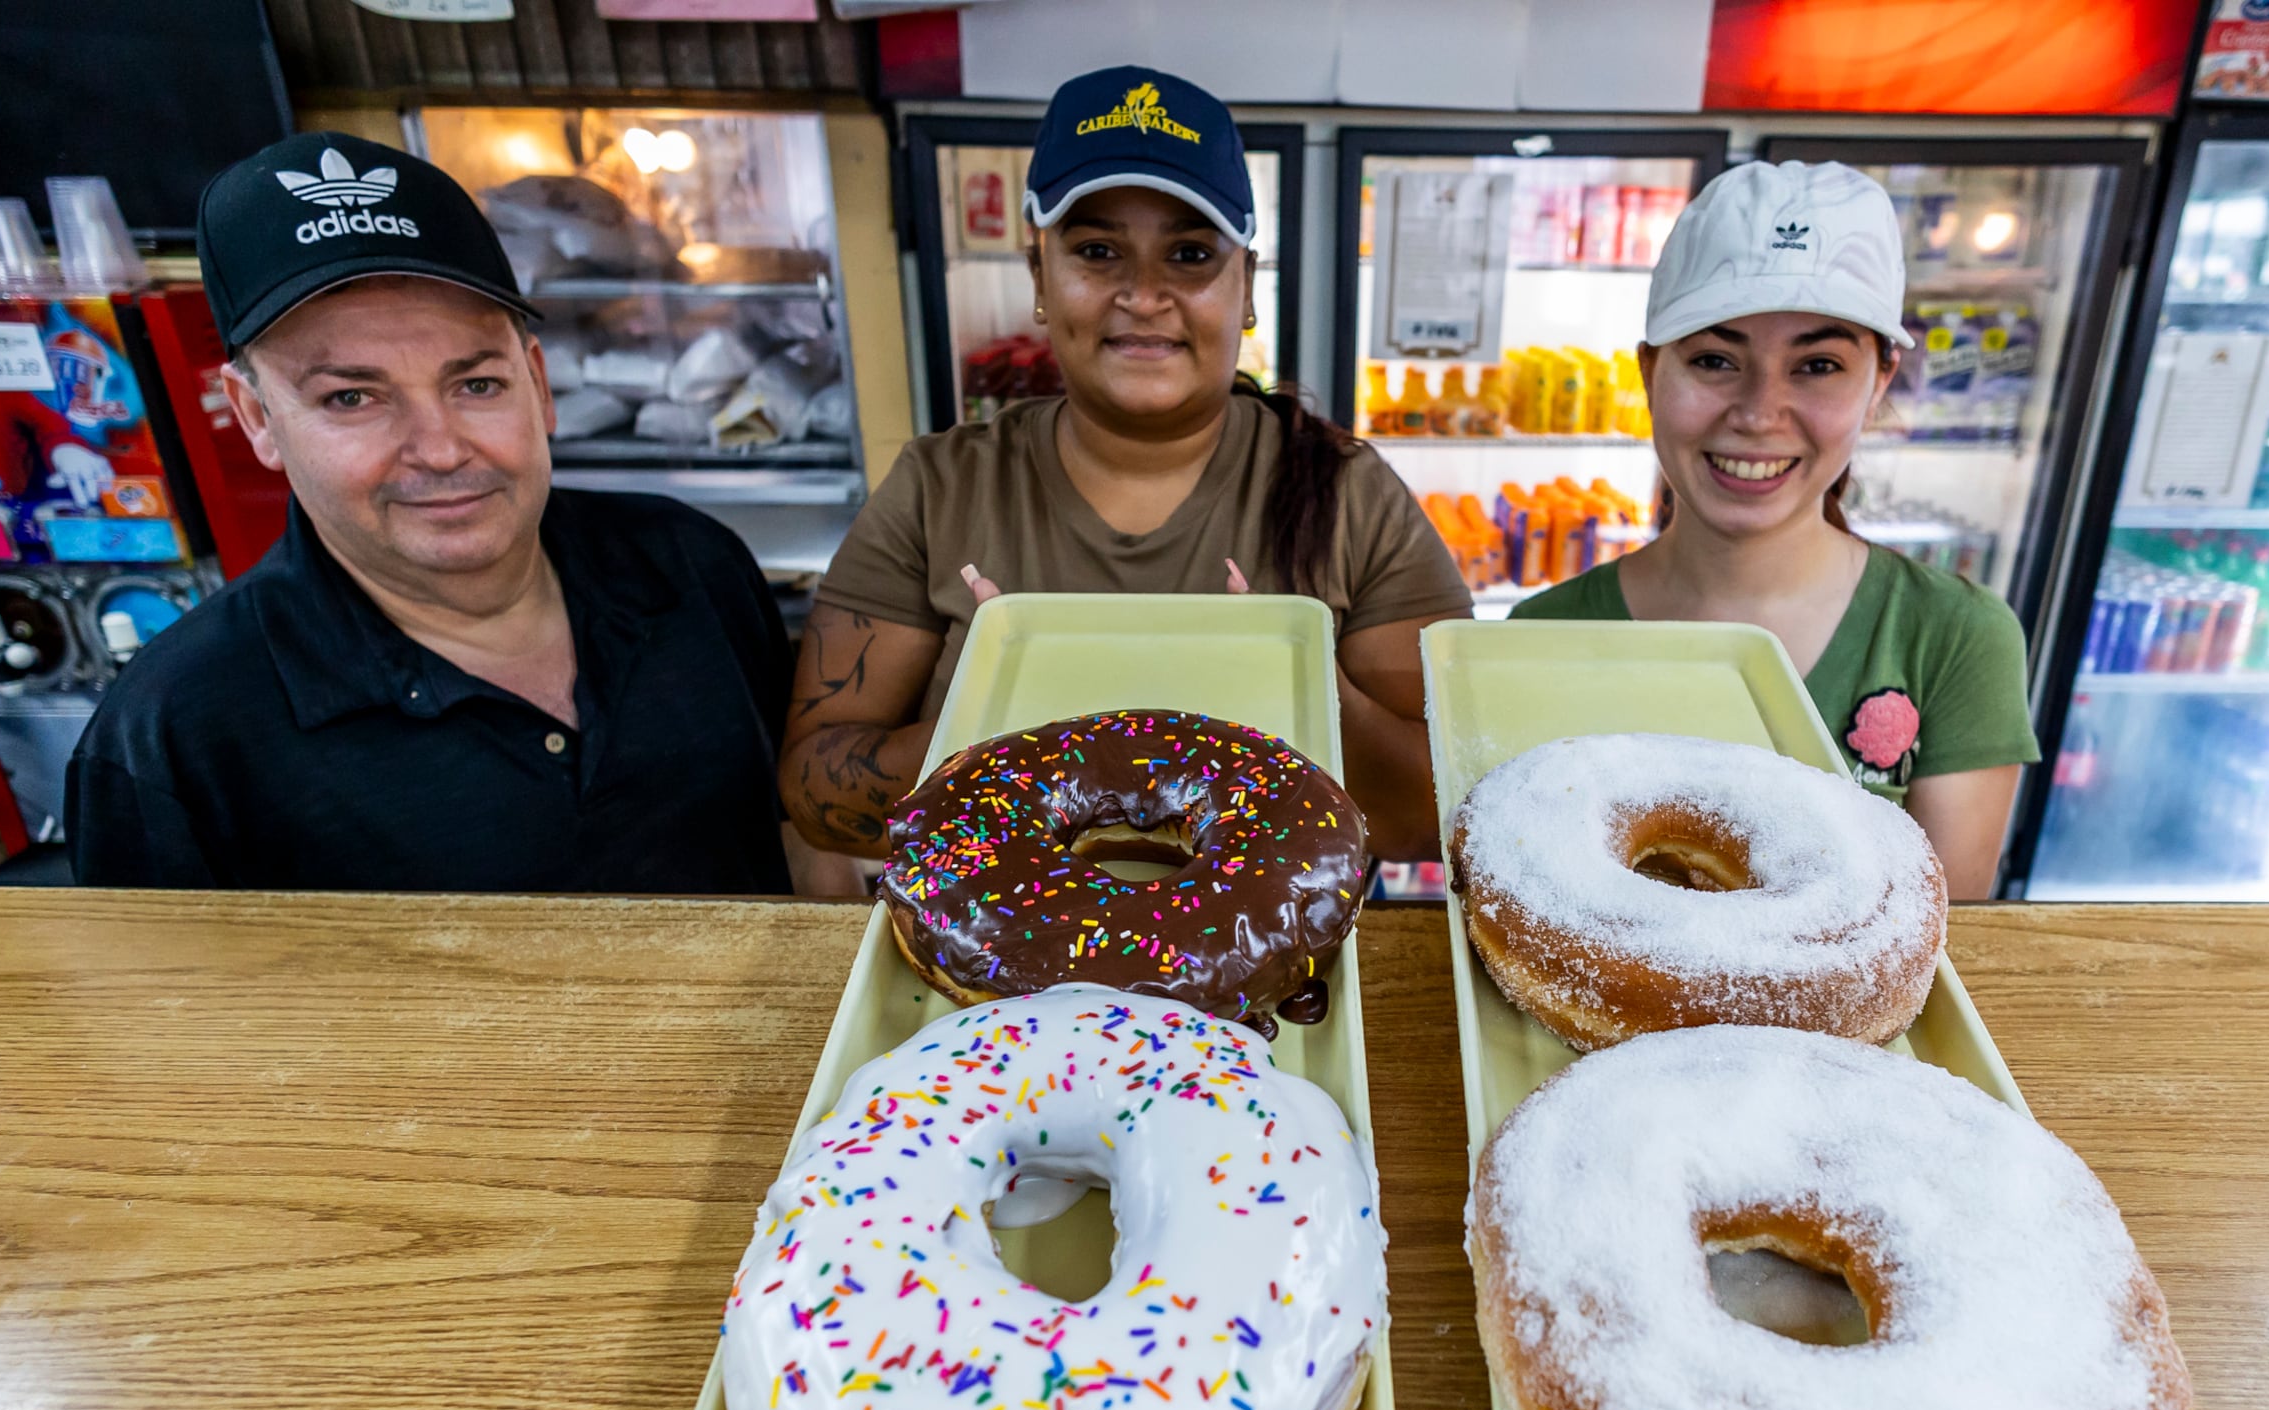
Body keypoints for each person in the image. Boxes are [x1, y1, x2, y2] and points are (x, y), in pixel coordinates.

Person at [67, 133, 797, 894]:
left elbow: (804, 849)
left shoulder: (691, 563)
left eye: (476, 384)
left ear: (537, 383)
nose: (441, 450)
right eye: (353, 397)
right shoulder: (174, 735)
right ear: (257, 417)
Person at [782, 67, 1472, 864]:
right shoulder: (938, 489)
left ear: (1247, 286)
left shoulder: (1353, 497)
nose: (1144, 295)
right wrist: (1001, 722)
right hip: (990, 944)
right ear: (1040, 276)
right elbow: (815, 795)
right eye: (1098, 251)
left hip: (1274, 948)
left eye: (1190, 253)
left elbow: (1445, 808)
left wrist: (1299, 683)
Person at [1510, 161, 2039, 899]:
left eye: (1817, 365)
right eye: (1715, 360)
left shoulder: (1952, 637)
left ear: (1879, 382)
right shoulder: (1541, 636)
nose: (1759, 413)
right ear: (1650, 372)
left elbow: (1944, 940)